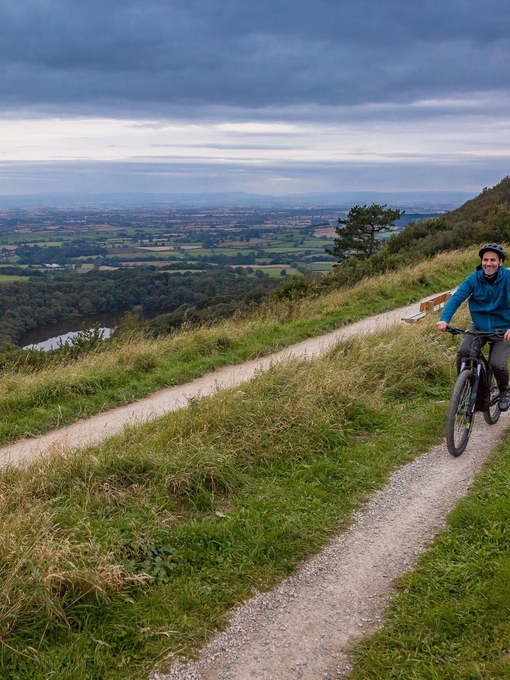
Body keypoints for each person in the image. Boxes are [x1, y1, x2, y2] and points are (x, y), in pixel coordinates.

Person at [437, 243, 510, 412]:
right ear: (481, 262)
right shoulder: (474, 278)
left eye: (493, 260)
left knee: (497, 364)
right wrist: (444, 319)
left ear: (500, 262)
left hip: (503, 329)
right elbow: (457, 298)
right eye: (485, 260)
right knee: (464, 353)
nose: (488, 263)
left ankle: (505, 390)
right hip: (479, 326)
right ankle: (467, 391)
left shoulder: (507, 278)